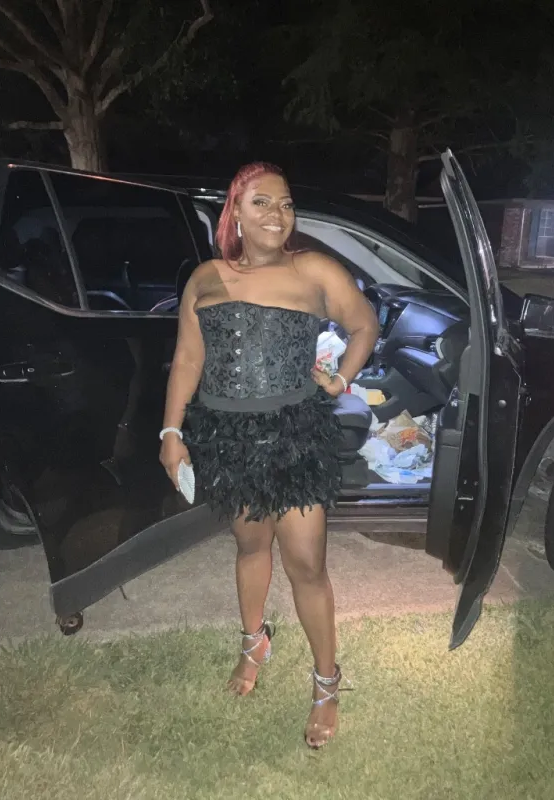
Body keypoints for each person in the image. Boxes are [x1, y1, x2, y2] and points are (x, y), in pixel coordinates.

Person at [159, 162, 378, 749]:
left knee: (306, 563)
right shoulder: (204, 278)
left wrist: (341, 378)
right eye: (261, 203)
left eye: (285, 204)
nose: (277, 215)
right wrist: (171, 431)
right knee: (250, 546)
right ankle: (255, 642)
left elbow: (364, 325)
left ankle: (326, 683)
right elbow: (188, 360)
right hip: (228, 438)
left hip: (294, 437)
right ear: (234, 210)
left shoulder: (314, 270)